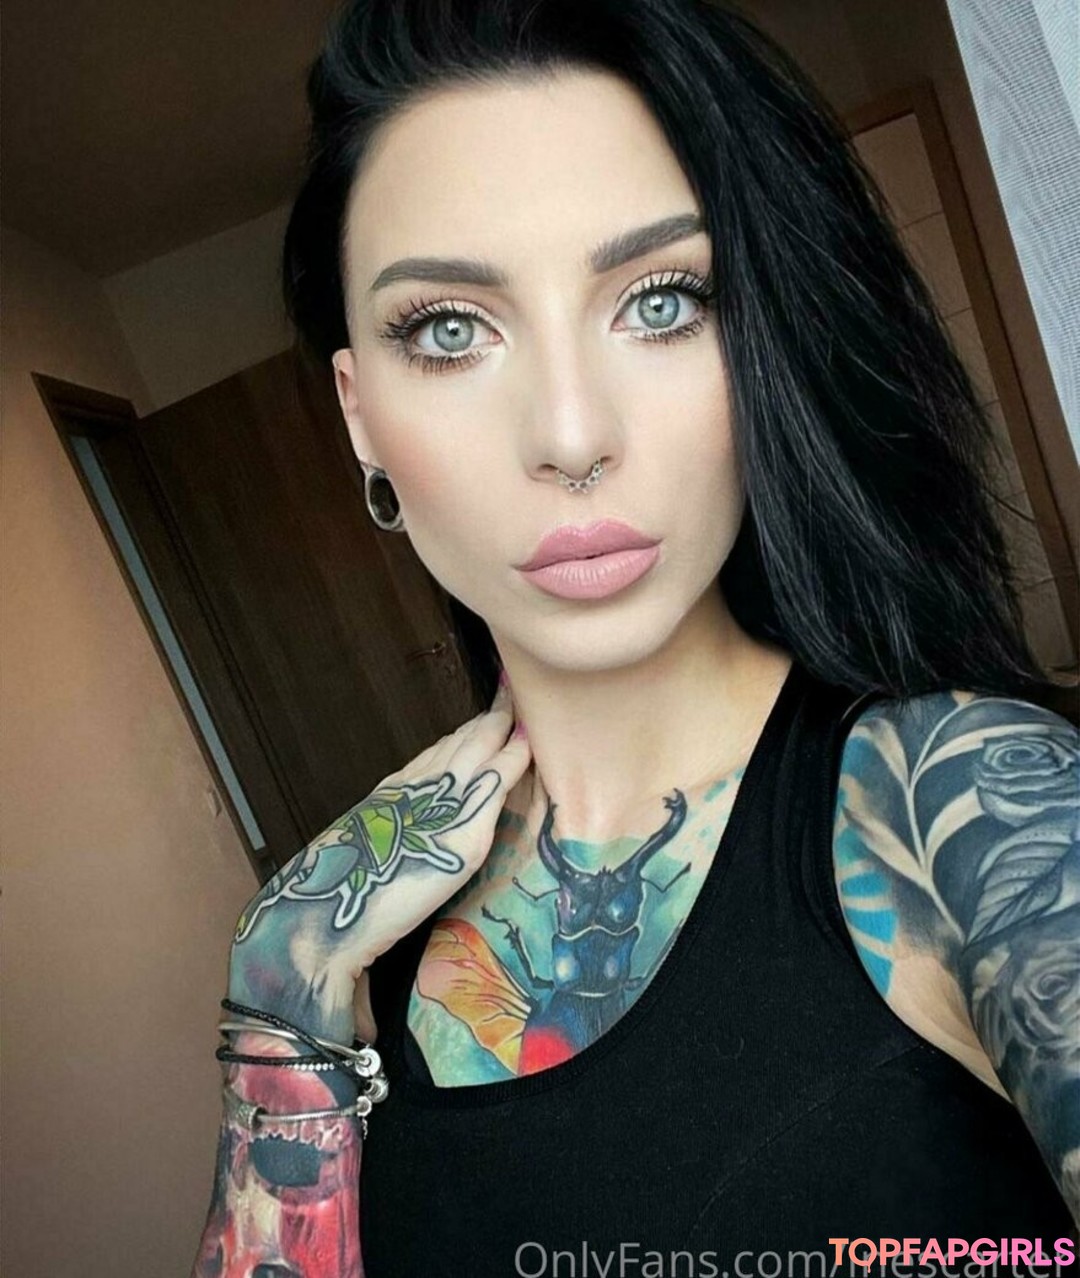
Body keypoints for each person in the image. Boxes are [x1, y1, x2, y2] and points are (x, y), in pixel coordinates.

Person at [191, 1, 1080, 1273]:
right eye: (450, 330)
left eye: (662, 301)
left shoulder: (965, 809)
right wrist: (278, 995)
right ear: (360, 415)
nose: (570, 433)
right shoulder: (351, 949)